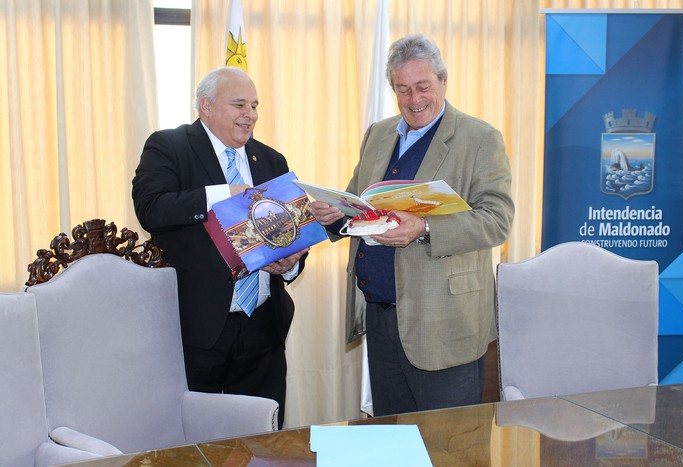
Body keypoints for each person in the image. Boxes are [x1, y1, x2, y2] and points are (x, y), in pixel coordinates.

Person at [310, 34, 514, 416]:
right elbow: (360, 202)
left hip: (445, 324)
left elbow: (498, 220)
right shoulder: (378, 134)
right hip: (382, 319)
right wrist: (336, 216)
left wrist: (424, 228)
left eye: (423, 86)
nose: (414, 99)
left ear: (443, 80)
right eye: (402, 89)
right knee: (394, 442)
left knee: (450, 450)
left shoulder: (480, 139)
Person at [132, 66, 307, 428]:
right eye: (240, 104)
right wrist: (222, 195)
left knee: (263, 441)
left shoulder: (272, 161)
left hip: (263, 327)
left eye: (255, 105)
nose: (251, 115)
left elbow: (287, 234)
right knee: (196, 441)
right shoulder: (169, 146)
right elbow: (151, 208)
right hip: (198, 329)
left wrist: (289, 263)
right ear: (206, 106)